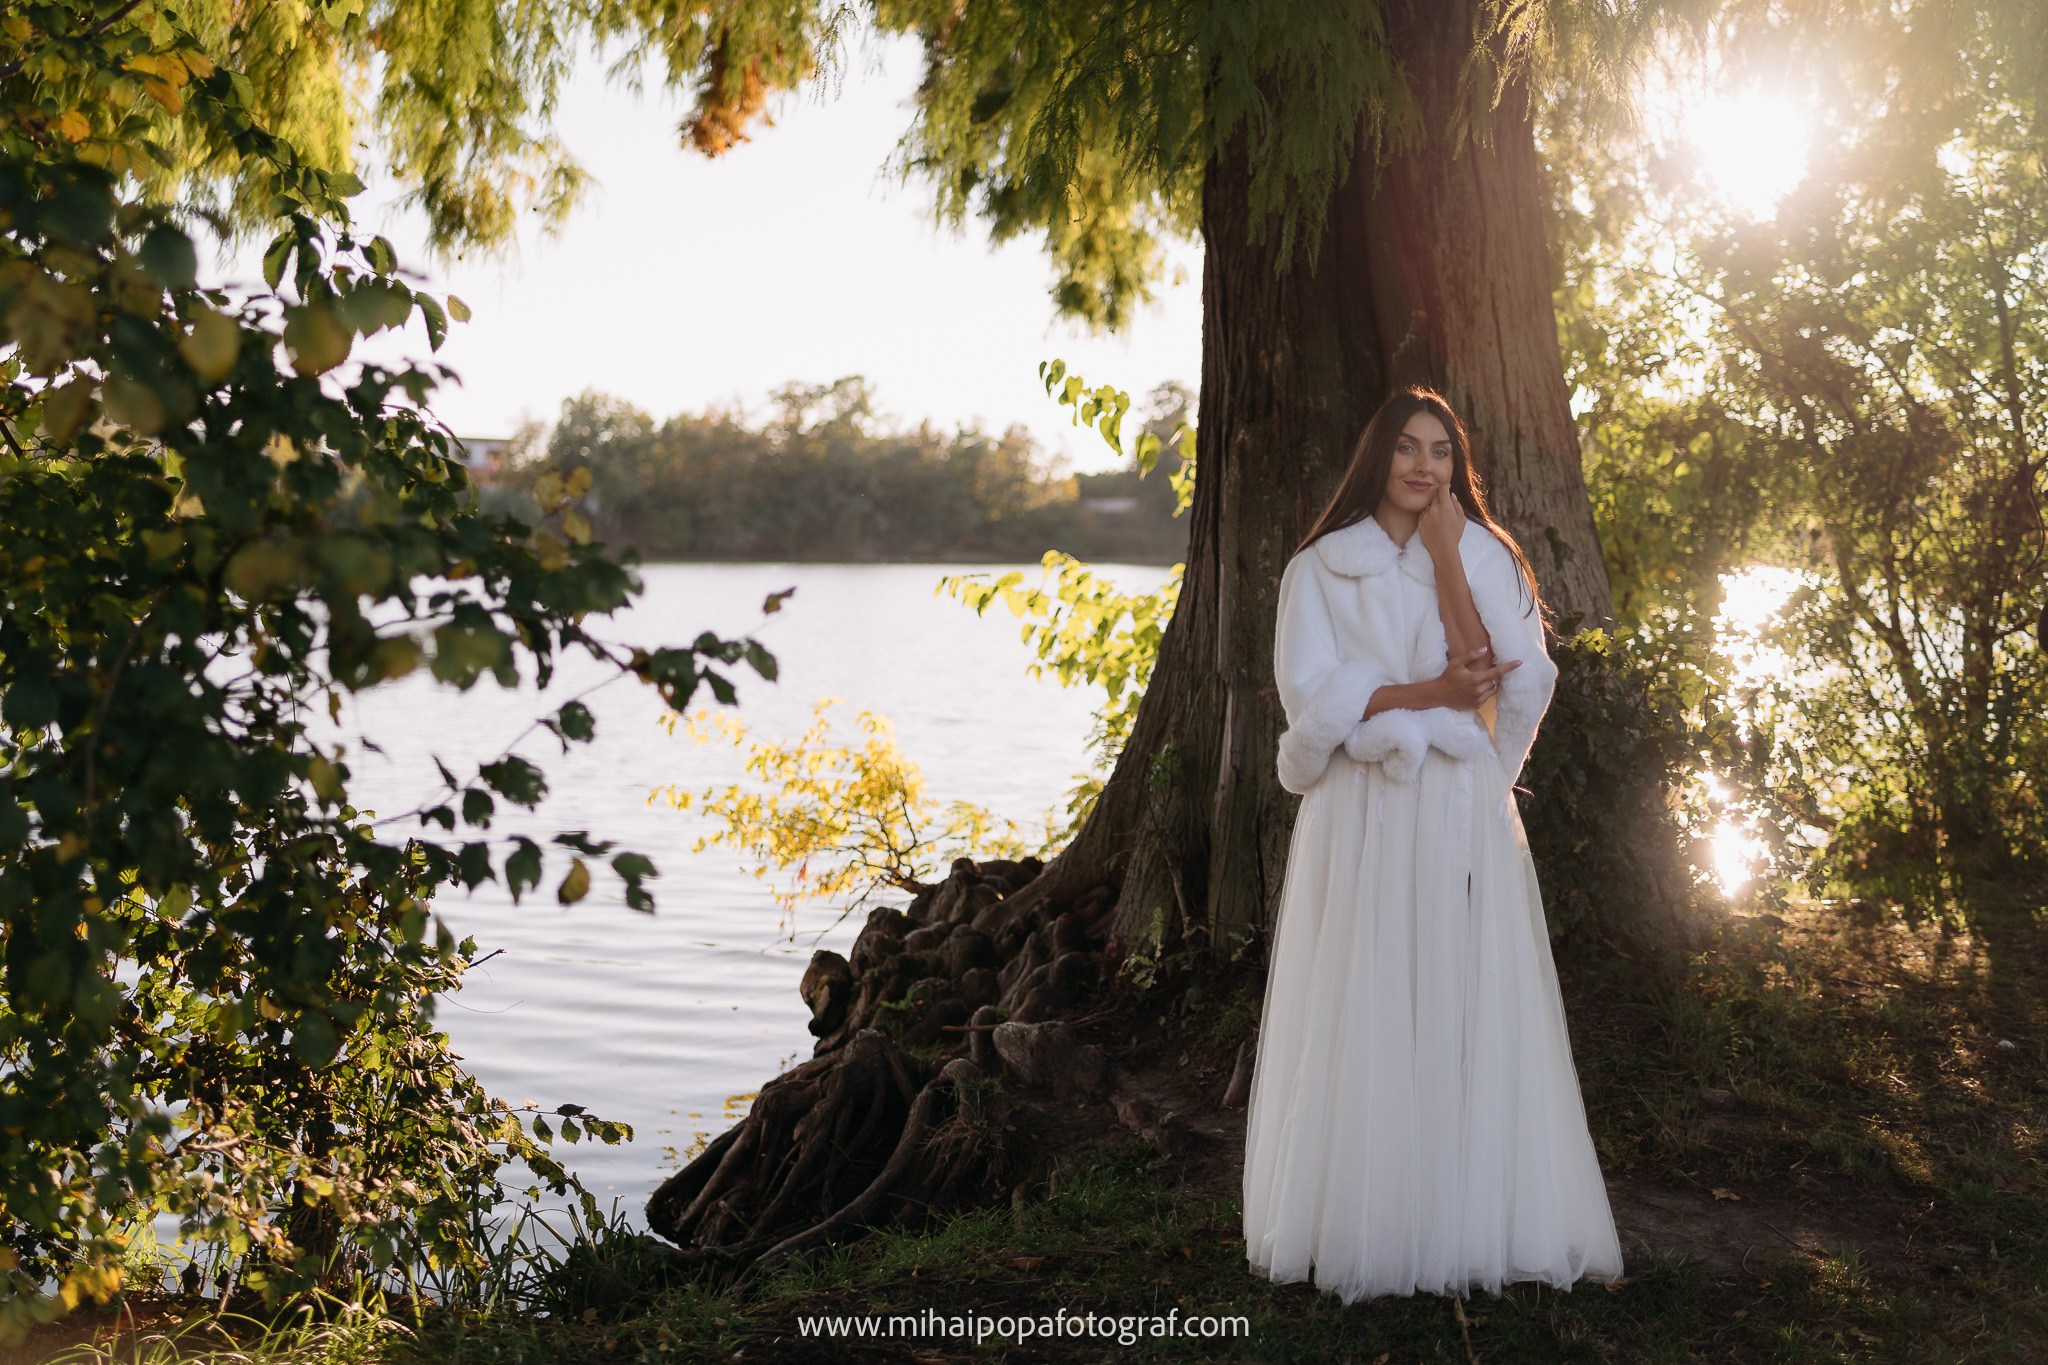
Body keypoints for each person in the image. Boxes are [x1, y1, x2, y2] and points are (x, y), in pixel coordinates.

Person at [1240, 386, 1624, 1304]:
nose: (1424, 465)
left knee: (1458, 998)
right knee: (1365, 998)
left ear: (1458, 467)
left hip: (1456, 803)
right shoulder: (1322, 569)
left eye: (1442, 451)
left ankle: (1460, 1214)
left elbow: (1494, 673)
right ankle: (1362, 1220)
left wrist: (1451, 555)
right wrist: (1424, 698)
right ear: (1378, 456)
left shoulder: (1484, 553)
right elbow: (1316, 700)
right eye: (1409, 447)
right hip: (1361, 808)